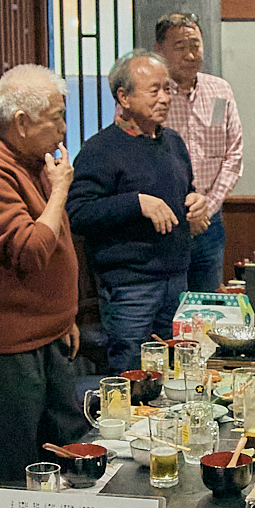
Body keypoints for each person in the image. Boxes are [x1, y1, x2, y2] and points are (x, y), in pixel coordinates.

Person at [0, 65, 86, 482]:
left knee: (63, 454)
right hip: (7, 349)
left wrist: (65, 317)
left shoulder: (30, 163)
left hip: (45, 336)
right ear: (22, 123)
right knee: (15, 472)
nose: (64, 129)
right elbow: (30, 251)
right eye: (56, 118)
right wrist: (60, 190)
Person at [68, 51, 201, 373]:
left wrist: (196, 203)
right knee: (132, 377)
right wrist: (136, 202)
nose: (165, 98)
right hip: (131, 287)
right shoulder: (100, 149)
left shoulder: (173, 142)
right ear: (123, 97)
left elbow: (186, 191)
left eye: (167, 89)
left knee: (175, 374)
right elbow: (78, 213)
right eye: (153, 90)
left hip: (177, 277)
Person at [155, 12, 243, 294]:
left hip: (210, 220)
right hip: (164, 222)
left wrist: (208, 206)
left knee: (207, 309)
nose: (190, 55)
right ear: (160, 50)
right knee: (170, 310)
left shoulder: (219, 90)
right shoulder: (150, 94)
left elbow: (234, 156)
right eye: (180, 47)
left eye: (196, 46)